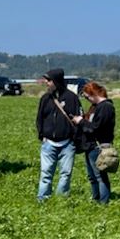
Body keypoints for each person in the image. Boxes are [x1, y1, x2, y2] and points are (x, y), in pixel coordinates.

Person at [35, 67, 81, 201]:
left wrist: (73, 138)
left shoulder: (72, 98)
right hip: (48, 143)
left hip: (67, 144)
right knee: (45, 173)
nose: (46, 83)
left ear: (56, 81)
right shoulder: (45, 98)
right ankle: (42, 199)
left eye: (49, 81)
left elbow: (78, 118)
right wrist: (42, 135)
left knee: (65, 174)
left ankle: (61, 200)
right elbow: (39, 118)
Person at [76, 80, 117, 205]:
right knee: (92, 176)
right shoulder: (96, 107)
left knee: (100, 177)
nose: (87, 100)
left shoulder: (106, 107)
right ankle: (96, 198)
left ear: (94, 94)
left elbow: (96, 127)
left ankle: (103, 201)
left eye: (88, 97)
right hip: (91, 146)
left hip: (99, 146)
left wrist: (81, 122)